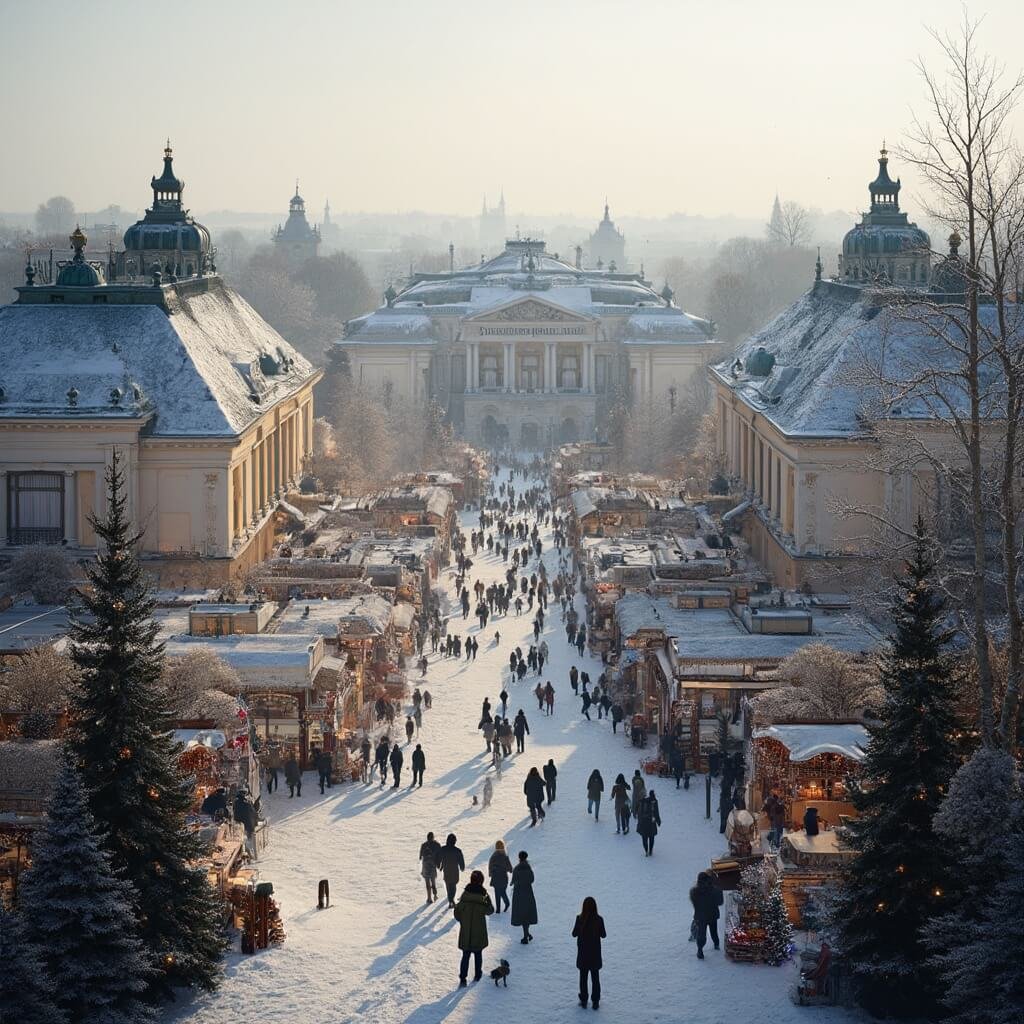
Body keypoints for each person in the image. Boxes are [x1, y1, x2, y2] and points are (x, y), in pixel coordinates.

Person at [454, 870, 494, 987]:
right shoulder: (483, 897)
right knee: (478, 954)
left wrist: (464, 921)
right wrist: (488, 901)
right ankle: (477, 975)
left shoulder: (465, 896)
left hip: (466, 932)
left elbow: (457, 913)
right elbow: (490, 911)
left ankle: (463, 978)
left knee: (465, 956)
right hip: (479, 931)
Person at [572, 896, 606, 1009]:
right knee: (595, 978)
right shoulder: (599, 919)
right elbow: (603, 935)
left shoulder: (579, 918)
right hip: (595, 955)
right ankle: (595, 1001)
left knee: (583, 978)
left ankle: (584, 999)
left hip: (583, 954)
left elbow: (574, 934)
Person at [690, 871, 724, 959]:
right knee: (714, 932)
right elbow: (720, 902)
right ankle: (716, 945)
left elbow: (695, 904)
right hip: (712, 915)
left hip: (700, 917)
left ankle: (700, 950)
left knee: (701, 934)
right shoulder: (714, 890)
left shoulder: (694, 892)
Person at [510, 850, 537, 944]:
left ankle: (526, 936)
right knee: (528, 913)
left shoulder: (517, 869)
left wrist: (513, 883)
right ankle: (527, 934)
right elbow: (532, 880)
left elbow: (513, 880)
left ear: (519, 858)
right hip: (528, 892)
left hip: (519, 893)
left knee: (522, 914)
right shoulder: (529, 868)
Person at [438, 833, 466, 908]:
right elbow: (461, 861)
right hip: (454, 871)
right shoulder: (457, 851)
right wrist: (462, 867)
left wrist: (439, 865)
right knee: (453, 885)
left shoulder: (443, 849)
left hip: (446, 869)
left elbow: (439, 858)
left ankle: (450, 900)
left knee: (448, 884)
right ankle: (451, 900)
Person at [488, 840, 513, 913]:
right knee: (503, 892)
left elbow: (490, 867)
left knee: (497, 893)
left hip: (496, 878)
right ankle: (507, 903)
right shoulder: (505, 856)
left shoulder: (493, 857)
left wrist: (491, 873)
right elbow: (510, 869)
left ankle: (498, 909)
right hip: (504, 878)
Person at [637, 790, 662, 856]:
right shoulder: (654, 802)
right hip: (652, 822)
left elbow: (639, 812)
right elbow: (656, 812)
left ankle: (646, 851)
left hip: (643, 822)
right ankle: (650, 851)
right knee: (651, 837)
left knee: (644, 838)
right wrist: (658, 821)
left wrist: (639, 822)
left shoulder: (642, 801)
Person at [419, 831, 441, 904]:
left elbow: (420, 857)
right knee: (433, 882)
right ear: (433, 837)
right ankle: (435, 895)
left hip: (425, 866)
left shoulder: (423, 845)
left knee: (427, 883)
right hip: (433, 865)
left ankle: (429, 898)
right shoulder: (436, 845)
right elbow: (440, 854)